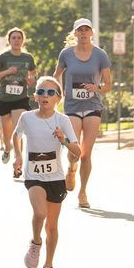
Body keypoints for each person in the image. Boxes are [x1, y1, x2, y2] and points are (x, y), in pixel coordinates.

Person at [12, 76, 81, 268]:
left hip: (56, 178)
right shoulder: (27, 117)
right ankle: (35, 242)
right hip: (34, 176)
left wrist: (64, 141)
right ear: (35, 96)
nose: (45, 96)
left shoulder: (63, 121)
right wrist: (18, 156)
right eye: (41, 92)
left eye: (51, 93)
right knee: (39, 213)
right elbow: (17, 136)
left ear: (58, 98)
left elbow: (77, 152)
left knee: (51, 226)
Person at [54, 18, 112, 210]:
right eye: (80, 30)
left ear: (92, 33)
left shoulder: (100, 55)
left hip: (93, 106)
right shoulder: (66, 54)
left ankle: (83, 191)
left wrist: (97, 88)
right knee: (74, 151)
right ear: (75, 34)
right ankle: (71, 169)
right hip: (72, 106)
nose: (84, 33)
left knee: (86, 154)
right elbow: (57, 75)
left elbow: (108, 85)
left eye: (87, 30)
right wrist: (58, 93)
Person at [0, 27, 37, 171]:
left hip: (20, 99)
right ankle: (8, 148)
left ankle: (18, 161)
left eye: (19, 38)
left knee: (17, 129)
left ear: (23, 40)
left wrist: (31, 79)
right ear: (9, 41)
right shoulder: (3, 57)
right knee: (7, 133)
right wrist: (7, 72)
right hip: (4, 99)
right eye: (13, 38)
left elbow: (34, 73)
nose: (16, 40)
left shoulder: (28, 58)